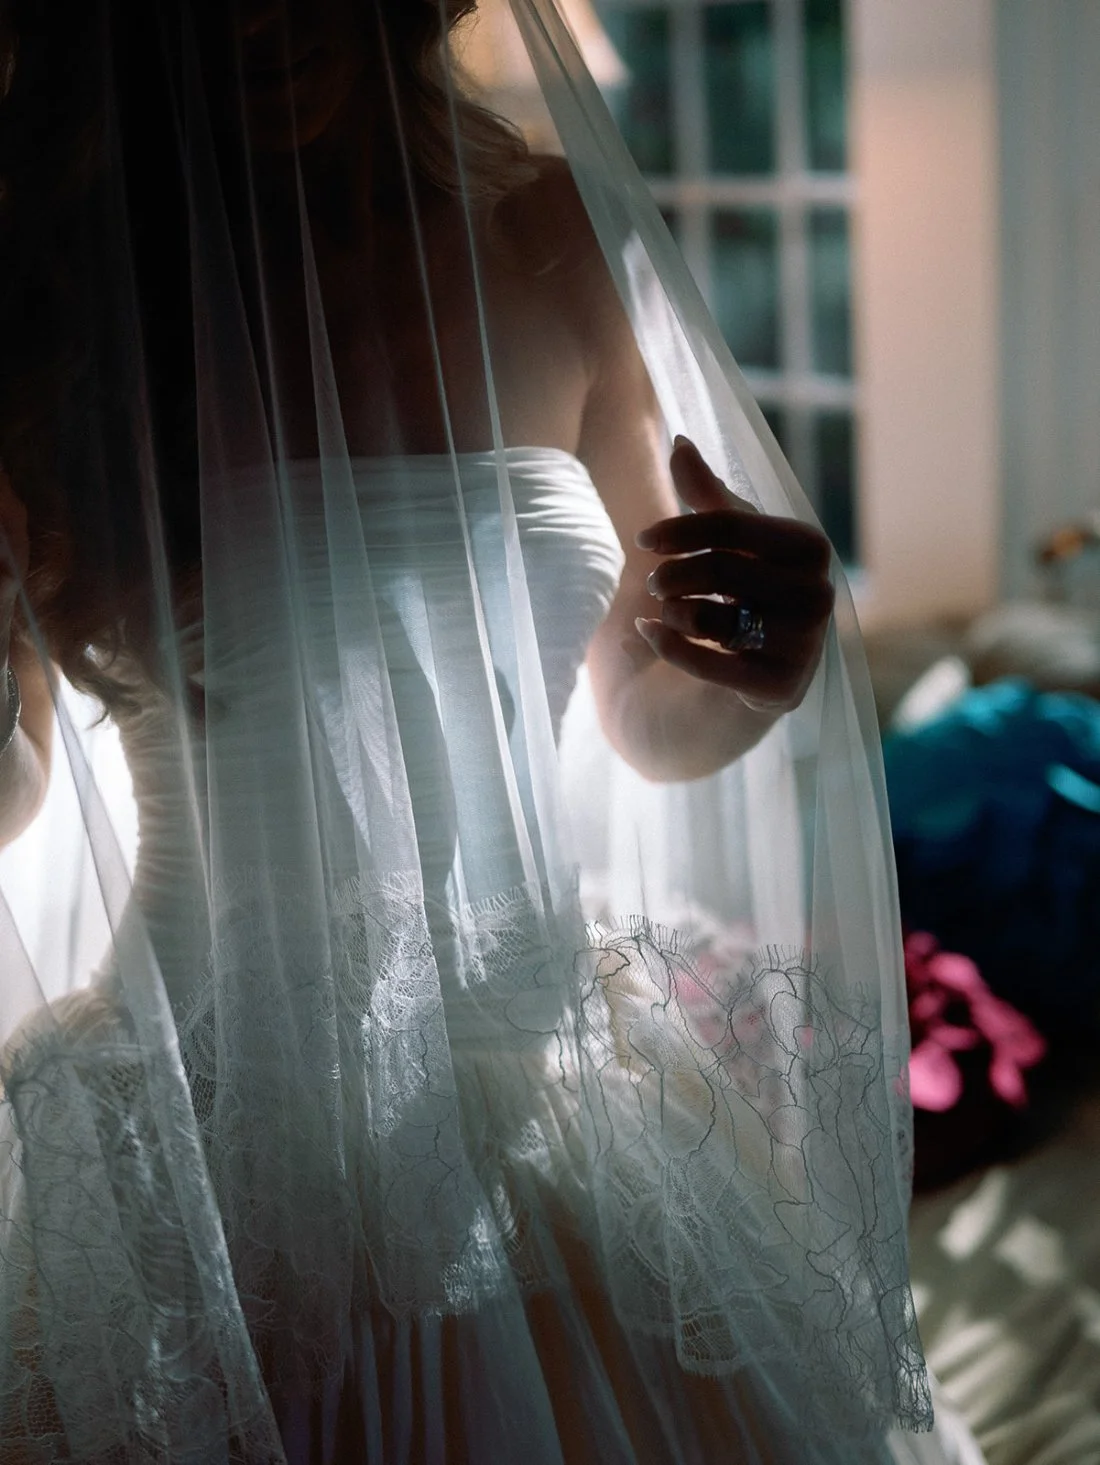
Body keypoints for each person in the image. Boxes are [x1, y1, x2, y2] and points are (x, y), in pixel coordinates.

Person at [0, 1, 968, 1460]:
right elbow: (19, 786)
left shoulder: (543, 235)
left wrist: (756, 663)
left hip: (549, 1101)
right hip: (204, 1146)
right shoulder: (51, 302)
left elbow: (645, 709)